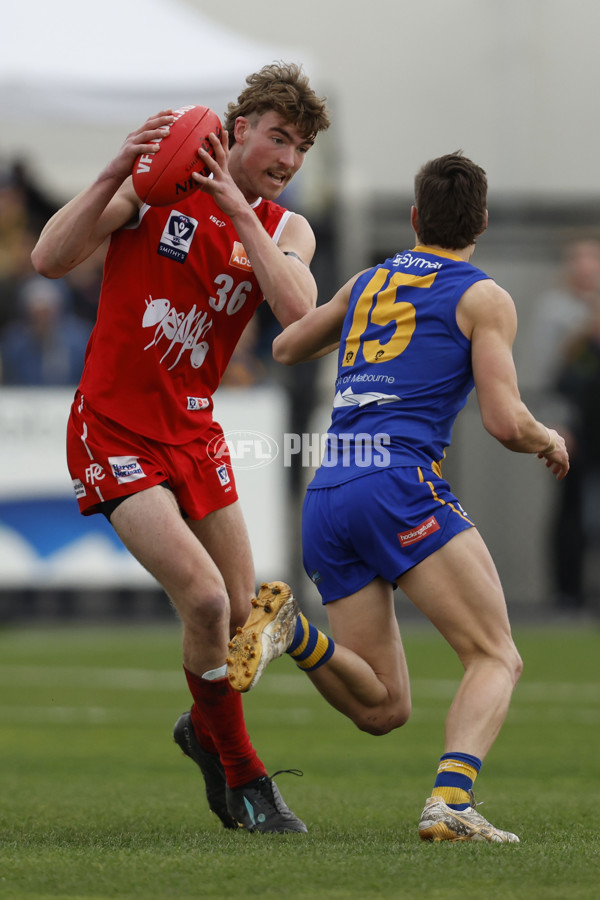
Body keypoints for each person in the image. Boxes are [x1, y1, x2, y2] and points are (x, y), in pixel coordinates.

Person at [225, 152, 570, 843]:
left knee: (383, 707)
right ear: (482, 222)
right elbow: (504, 422)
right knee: (496, 654)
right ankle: (451, 802)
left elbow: (289, 348)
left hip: (329, 489)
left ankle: (292, 631)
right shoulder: (483, 296)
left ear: (415, 219)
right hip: (397, 483)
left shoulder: (368, 281)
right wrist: (547, 438)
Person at [31, 61, 330, 833]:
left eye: (300, 148)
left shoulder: (287, 226)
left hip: (194, 432)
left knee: (238, 628)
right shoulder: (159, 185)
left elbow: (300, 319)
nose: (289, 159)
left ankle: (203, 727)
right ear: (238, 131)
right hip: (113, 425)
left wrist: (240, 209)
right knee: (200, 597)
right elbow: (49, 260)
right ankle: (247, 780)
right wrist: (106, 177)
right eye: (278, 138)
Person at [529, 237, 600, 612]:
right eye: (578, 259)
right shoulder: (555, 312)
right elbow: (548, 374)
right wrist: (554, 424)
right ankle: (566, 593)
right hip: (574, 427)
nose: (586, 267)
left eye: (592, 259)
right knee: (569, 510)